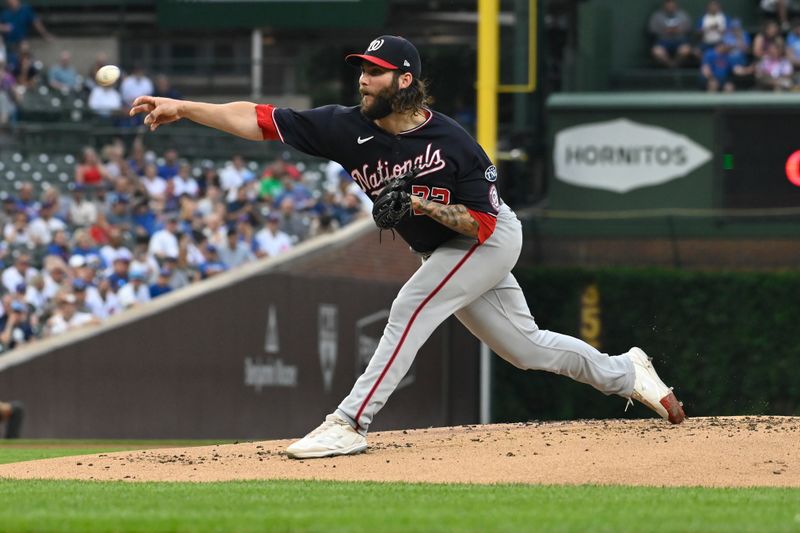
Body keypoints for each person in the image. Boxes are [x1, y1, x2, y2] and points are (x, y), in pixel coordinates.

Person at [129, 35, 686, 460]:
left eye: (374, 73)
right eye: (362, 72)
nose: (363, 81)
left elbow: (482, 226)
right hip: (444, 255)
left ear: (403, 81)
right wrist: (185, 106)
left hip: (486, 238)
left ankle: (350, 423)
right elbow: (258, 119)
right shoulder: (345, 128)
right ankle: (627, 371)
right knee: (527, 349)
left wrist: (420, 205)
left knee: (410, 305)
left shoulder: (452, 142)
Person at [649, 0, 694, 68]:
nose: (670, 6)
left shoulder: (683, 15)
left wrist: (678, 30)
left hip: (680, 40)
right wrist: (664, 31)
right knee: (657, 51)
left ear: (675, 5)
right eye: (668, 4)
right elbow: (652, 29)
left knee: (685, 49)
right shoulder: (657, 16)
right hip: (663, 41)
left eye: (672, 4)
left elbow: (688, 28)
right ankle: (670, 65)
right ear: (664, 5)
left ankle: (676, 64)